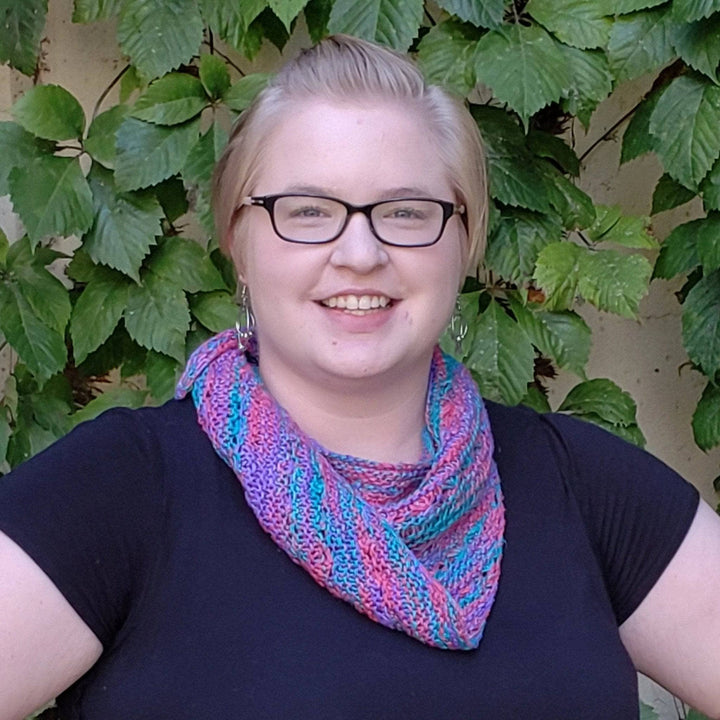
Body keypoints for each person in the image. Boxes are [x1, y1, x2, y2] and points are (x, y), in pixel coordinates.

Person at [1, 34, 719, 720]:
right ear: (237, 244)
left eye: (406, 212)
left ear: (464, 242)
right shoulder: (117, 492)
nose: (360, 251)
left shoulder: (585, 489)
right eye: (307, 211)